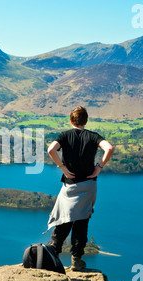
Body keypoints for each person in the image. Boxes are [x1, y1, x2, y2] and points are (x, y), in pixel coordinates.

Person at [46, 106, 114, 271]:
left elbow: (51, 150)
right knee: (82, 221)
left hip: (69, 185)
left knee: (64, 219)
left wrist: (62, 167)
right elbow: (109, 148)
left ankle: (52, 255)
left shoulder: (65, 135)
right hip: (88, 185)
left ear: (71, 121)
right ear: (86, 120)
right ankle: (76, 260)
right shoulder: (93, 136)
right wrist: (99, 167)